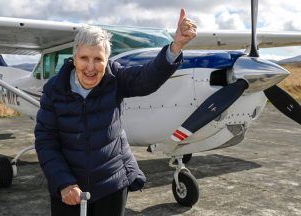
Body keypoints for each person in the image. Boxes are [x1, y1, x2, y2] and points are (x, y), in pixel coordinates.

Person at [34, 8, 197, 216]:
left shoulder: (115, 78)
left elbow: (146, 79)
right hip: (69, 188)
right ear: (74, 58)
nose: (91, 67)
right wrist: (64, 183)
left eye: (98, 59)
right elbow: (46, 140)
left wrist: (176, 46)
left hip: (111, 183)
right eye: (84, 58)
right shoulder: (54, 90)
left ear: (107, 60)